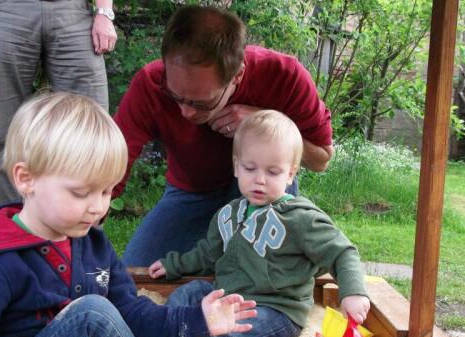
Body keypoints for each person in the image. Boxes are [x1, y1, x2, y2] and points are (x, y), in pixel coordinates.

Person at [0, 93, 331, 337]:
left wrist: (195, 322)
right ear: (26, 179)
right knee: (93, 315)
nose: (98, 206)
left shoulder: (89, 242)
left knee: (166, 327)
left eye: (108, 190)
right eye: (81, 192)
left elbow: (130, 311)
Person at [114, 5, 335, 267]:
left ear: (237, 75)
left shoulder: (284, 75)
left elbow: (322, 159)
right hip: (191, 192)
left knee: (260, 277)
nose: (185, 112)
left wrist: (264, 122)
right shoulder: (150, 84)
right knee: (137, 271)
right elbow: (113, 162)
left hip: (265, 190)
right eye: (176, 97)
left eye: (202, 103)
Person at [148, 110, 371, 337]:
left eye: (273, 172)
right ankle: (166, 336)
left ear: (290, 174)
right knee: (187, 294)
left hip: (274, 310)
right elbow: (207, 253)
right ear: (236, 167)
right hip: (227, 297)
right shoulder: (229, 213)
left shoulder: (300, 217)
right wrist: (174, 264)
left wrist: (353, 292)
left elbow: (342, 251)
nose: (260, 180)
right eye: (250, 168)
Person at [0, 0, 117, 211]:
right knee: (2, 138)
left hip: (72, 11)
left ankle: (85, 235)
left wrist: (104, 11)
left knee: (92, 132)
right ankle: (5, 234)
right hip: (1, 11)